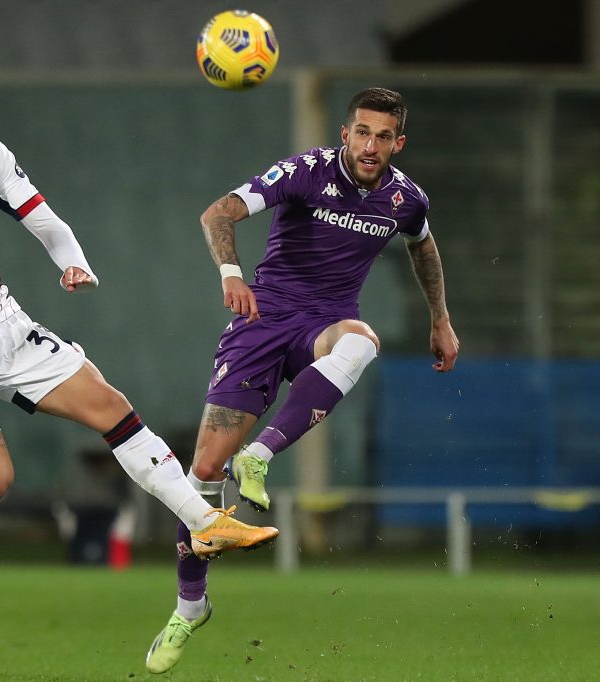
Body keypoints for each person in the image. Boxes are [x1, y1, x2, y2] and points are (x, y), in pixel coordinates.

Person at [0, 48, 278, 625]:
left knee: (110, 405)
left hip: (1, 321)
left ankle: (202, 522)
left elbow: (43, 218)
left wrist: (72, 262)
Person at [144, 87, 460, 674]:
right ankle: (191, 605)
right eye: (361, 132)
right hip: (263, 322)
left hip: (324, 324)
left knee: (362, 340)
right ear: (345, 133)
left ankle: (260, 456)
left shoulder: (403, 198)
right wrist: (231, 274)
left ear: (399, 142)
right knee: (205, 471)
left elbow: (424, 248)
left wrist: (440, 318)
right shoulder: (303, 173)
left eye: (383, 136)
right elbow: (218, 212)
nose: (371, 146)